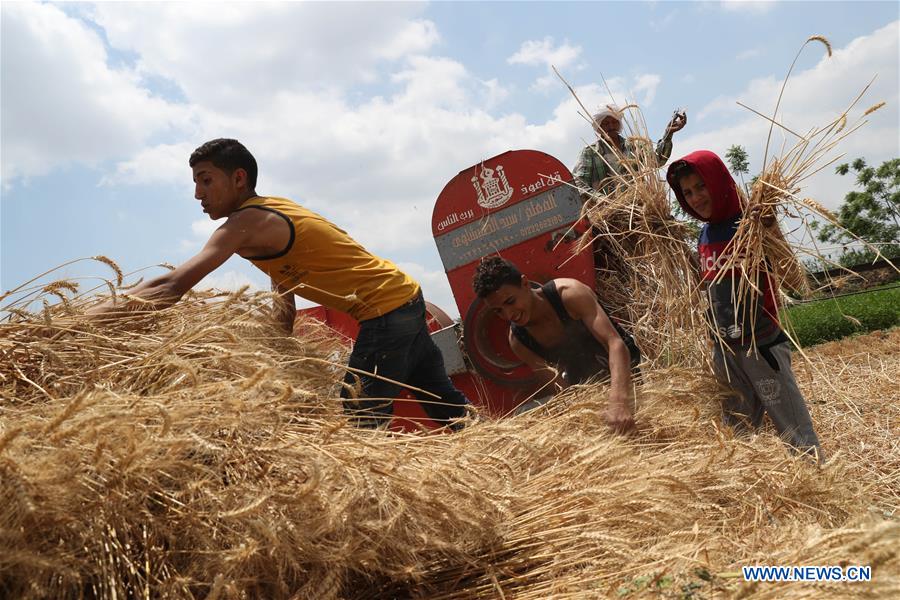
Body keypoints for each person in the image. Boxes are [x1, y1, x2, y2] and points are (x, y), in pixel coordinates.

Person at [88, 138, 471, 430]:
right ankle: (502, 459)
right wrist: (279, 344)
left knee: (360, 418)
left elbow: (173, 285)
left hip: (384, 310)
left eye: (206, 181)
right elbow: (285, 279)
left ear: (238, 179)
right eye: (195, 183)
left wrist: (81, 325)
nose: (197, 194)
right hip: (404, 295)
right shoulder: (268, 212)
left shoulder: (246, 223)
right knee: (445, 405)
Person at [666, 150, 823, 460]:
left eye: (701, 186)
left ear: (719, 181)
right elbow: (709, 289)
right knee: (736, 439)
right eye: (687, 192)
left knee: (795, 433)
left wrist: (771, 229)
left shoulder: (751, 224)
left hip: (762, 348)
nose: (696, 197)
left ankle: (819, 487)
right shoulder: (704, 235)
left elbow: (793, 281)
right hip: (726, 353)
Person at [472, 257, 641, 432]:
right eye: (498, 310)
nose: (508, 314)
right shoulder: (519, 342)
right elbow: (562, 389)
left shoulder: (569, 294)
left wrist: (619, 402)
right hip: (586, 386)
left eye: (510, 302)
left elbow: (614, 343)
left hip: (626, 369)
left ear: (524, 283)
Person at [574, 105, 687, 198]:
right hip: (608, 216)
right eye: (606, 123)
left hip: (639, 209)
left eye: (614, 122)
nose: (611, 126)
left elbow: (657, 161)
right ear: (598, 127)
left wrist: (668, 134)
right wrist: (601, 199)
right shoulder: (590, 153)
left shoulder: (635, 145)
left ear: (619, 124)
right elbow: (578, 184)